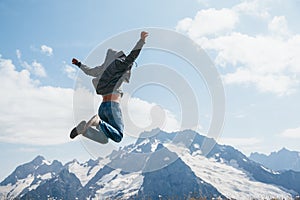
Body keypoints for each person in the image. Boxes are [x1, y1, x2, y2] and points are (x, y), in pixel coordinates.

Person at [70, 31, 149, 144]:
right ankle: (97, 122)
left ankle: (84, 131)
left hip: (102, 108)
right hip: (112, 107)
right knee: (118, 136)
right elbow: (133, 56)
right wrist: (141, 41)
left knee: (104, 139)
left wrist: (79, 64)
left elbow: (89, 71)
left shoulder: (101, 70)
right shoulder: (120, 65)